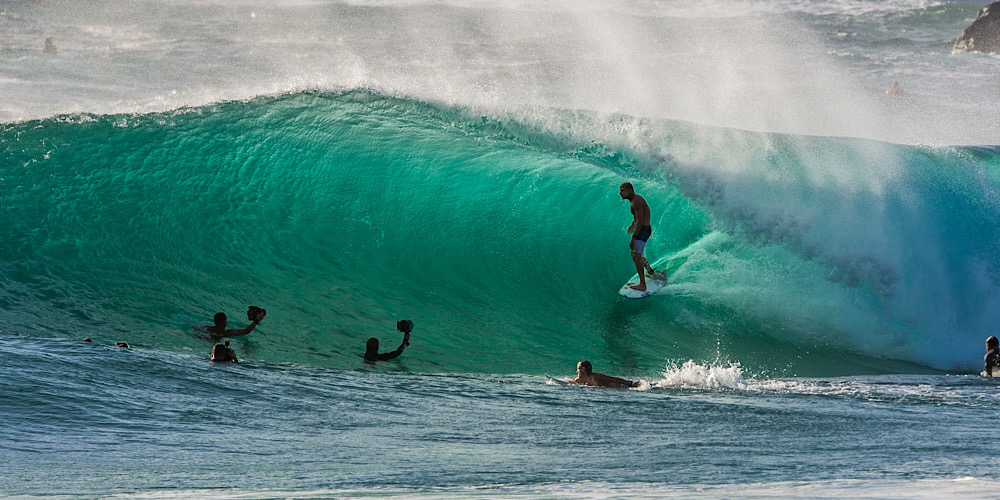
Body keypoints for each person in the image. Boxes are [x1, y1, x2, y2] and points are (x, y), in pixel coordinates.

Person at [619, 182, 661, 291]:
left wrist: (634, 237)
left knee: (636, 257)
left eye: (622, 191)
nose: (620, 193)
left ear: (629, 190)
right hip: (643, 229)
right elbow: (637, 218)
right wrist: (632, 225)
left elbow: (641, 220)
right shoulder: (634, 200)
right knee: (635, 254)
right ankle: (651, 272)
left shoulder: (636, 201)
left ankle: (643, 284)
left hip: (643, 230)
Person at [571, 360, 639, 388]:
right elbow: (571, 381)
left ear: (584, 369)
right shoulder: (580, 379)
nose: (577, 371)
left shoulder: (596, 377)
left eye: (579, 368)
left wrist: (629, 383)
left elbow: (612, 379)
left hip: (621, 387)